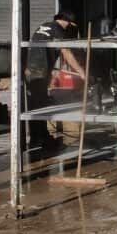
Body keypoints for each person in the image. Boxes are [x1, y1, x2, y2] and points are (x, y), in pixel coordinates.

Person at [26, 11, 85, 149]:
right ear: (69, 23)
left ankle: (38, 137)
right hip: (39, 70)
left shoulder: (45, 26)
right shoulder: (59, 29)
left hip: (30, 69)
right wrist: (81, 72)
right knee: (39, 105)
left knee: (35, 104)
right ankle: (41, 138)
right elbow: (66, 52)